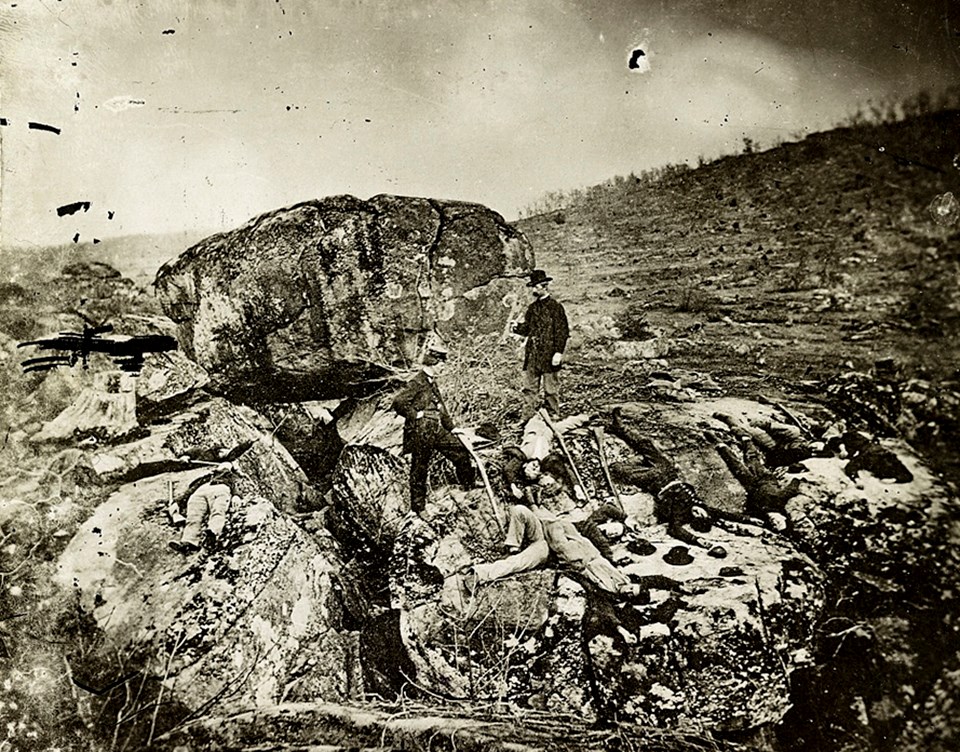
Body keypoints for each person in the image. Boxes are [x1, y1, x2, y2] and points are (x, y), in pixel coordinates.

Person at [391, 341, 476, 514]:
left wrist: (452, 428)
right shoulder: (417, 382)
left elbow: (441, 408)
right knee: (420, 467)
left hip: (436, 428)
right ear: (434, 363)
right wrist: (416, 415)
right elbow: (398, 402)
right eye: (443, 364)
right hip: (420, 431)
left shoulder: (431, 382)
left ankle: (468, 485)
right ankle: (418, 508)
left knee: (460, 450)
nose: (444, 368)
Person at [513, 269, 569, 421]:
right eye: (532, 286)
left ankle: (553, 416)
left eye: (535, 287)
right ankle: (527, 418)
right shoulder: (532, 308)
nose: (533, 290)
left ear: (544, 286)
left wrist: (558, 352)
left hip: (550, 354)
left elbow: (562, 332)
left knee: (550, 389)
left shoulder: (555, 307)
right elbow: (528, 329)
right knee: (529, 389)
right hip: (532, 354)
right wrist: (516, 327)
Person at [169, 461, 239, 554]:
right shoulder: (207, 476)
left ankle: (212, 534)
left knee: (218, 511)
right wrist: (178, 502)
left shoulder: (230, 475)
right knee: (193, 516)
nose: (224, 466)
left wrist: (236, 495)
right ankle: (189, 542)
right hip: (201, 490)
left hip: (221, 488)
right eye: (223, 464)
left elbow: (235, 485)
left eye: (227, 465)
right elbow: (192, 489)